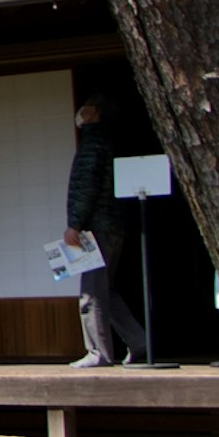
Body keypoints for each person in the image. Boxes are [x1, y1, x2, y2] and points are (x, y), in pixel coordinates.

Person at [62, 92, 155, 367]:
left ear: (97, 112)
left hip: (96, 227)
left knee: (92, 289)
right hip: (115, 224)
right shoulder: (112, 141)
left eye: (87, 107)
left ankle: (97, 352)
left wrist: (74, 224)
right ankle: (138, 341)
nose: (81, 111)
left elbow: (85, 187)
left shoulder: (93, 143)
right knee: (106, 289)